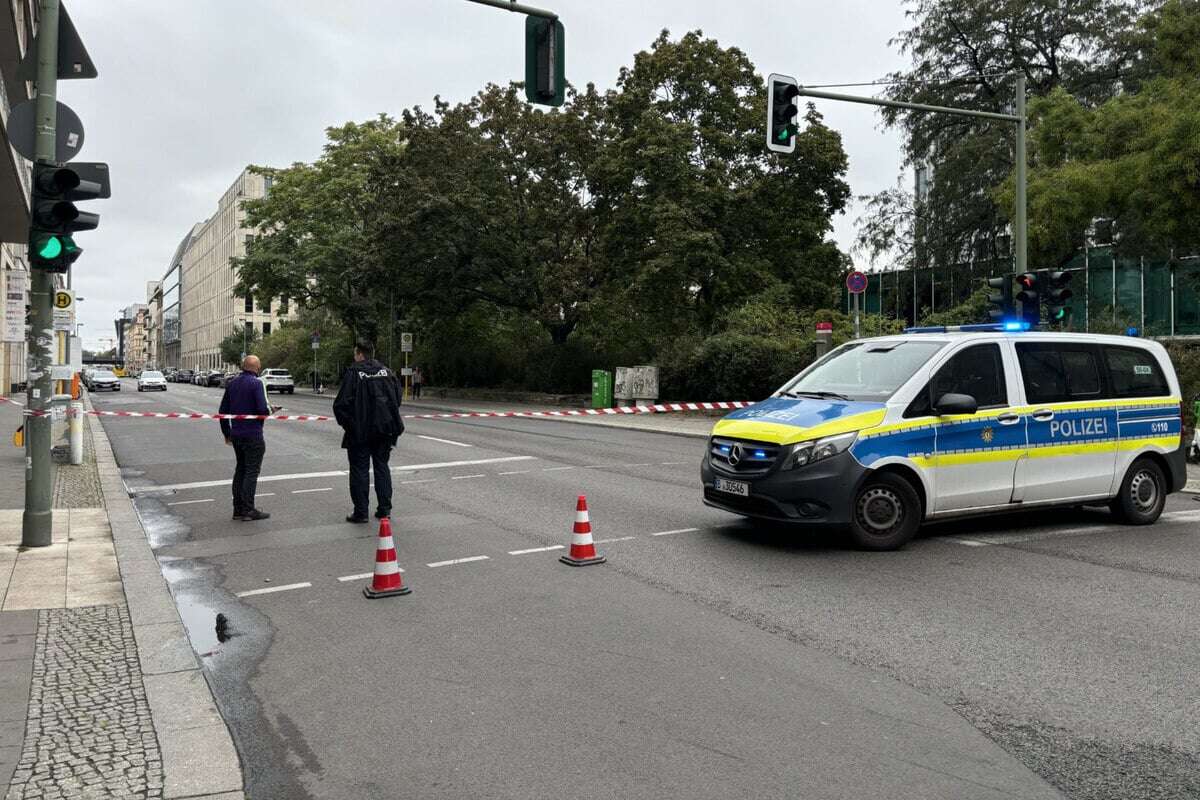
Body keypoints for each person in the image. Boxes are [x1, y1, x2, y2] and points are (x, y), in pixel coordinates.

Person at [333, 340, 404, 523]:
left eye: (355, 353)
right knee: (382, 467)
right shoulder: (387, 372)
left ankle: (361, 512)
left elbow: (341, 405)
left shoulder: (354, 373)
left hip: (360, 432)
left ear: (359, 354)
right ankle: (384, 509)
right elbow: (397, 398)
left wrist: (350, 425)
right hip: (385, 430)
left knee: (359, 470)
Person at [219, 355, 272, 522]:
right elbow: (262, 410)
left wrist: (227, 433)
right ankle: (248, 509)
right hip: (253, 435)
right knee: (251, 472)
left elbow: (222, 411)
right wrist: (271, 410)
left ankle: (238, 509)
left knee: (240, 470)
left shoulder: (232, 383)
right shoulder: (257, 384)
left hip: (237, 435)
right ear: (256, 368)